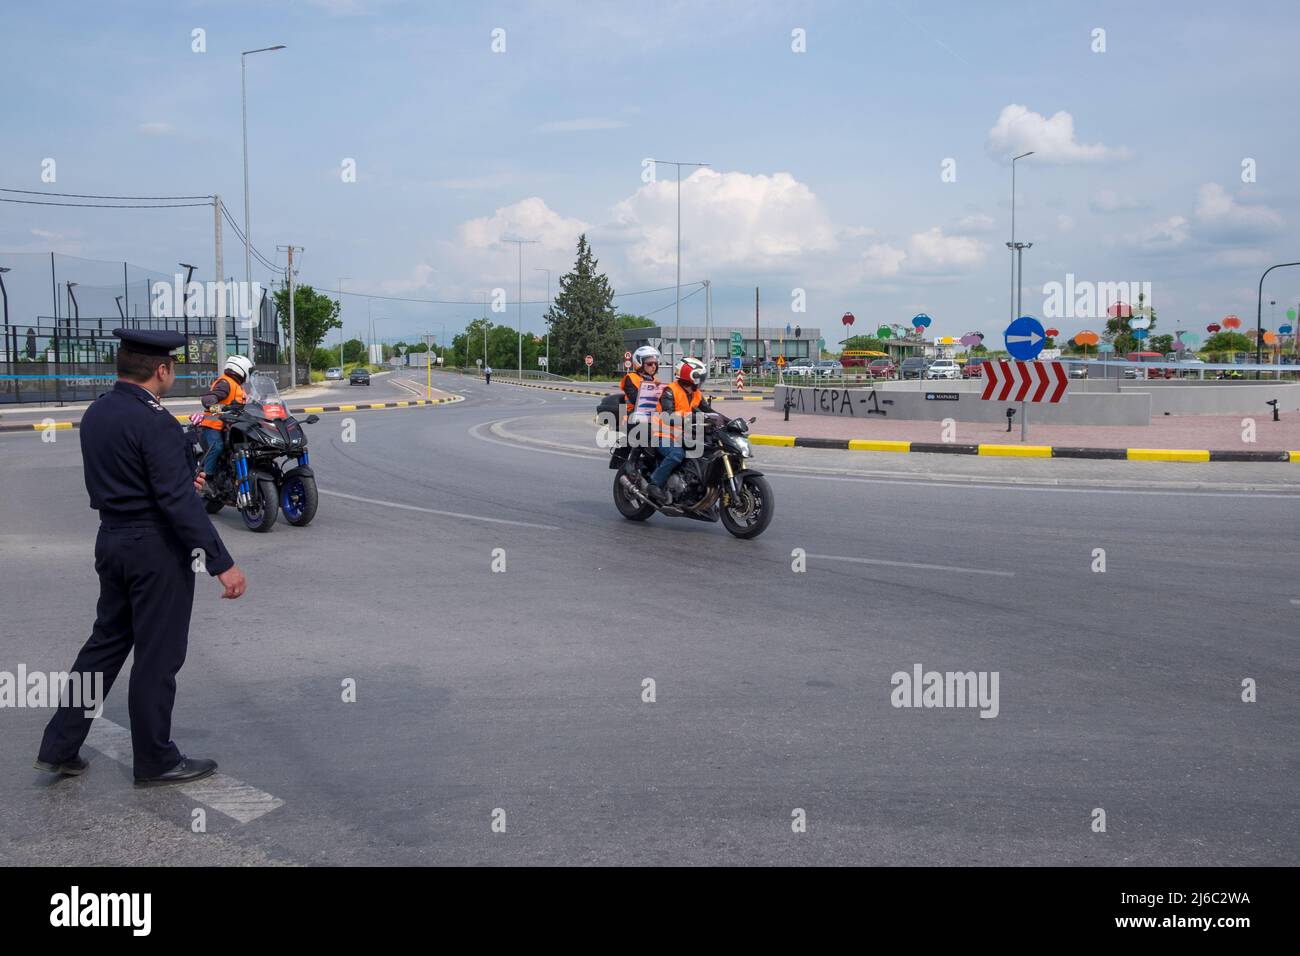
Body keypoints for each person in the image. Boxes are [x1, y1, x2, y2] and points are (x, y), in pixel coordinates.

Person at [35, 328, 246, 785]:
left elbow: (136, 478)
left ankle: (59, 746)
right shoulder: (156, 421)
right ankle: (155, 759)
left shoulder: (97, 412)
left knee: (104, 646)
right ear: (161, 369)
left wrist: (174, 483)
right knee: (158, 656)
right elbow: (176, 501)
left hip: (112, 540)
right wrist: (220, 561)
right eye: (172, 366)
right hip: (154, 550)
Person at [645, 357, 714, 505]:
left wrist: (728, 421)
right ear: (691, 377)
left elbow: (709, 411)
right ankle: (654, 484)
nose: (701, 381)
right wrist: (691, 418)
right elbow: (667, 416)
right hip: (661, 433)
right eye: (699, 378)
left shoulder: (696, 393)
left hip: (682, 434)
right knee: (677, 454)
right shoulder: (670, 391)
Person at [198, 354, 254, 486]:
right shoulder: (225, 383)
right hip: (212, 427)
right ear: (241, 369)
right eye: (249, 371)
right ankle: (208, 479)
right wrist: (219, 408)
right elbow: (207, 400)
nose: (249, 375)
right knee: (217, 447)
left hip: (230, 428)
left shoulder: (237, 386)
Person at [620, 346, 661, 419]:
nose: (654, 366)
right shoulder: (631, 378)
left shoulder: (655, 380)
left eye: (655, 363)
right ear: (639, 363)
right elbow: (635, 399)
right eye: (650, 364)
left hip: (656, 415)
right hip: (635, 414)